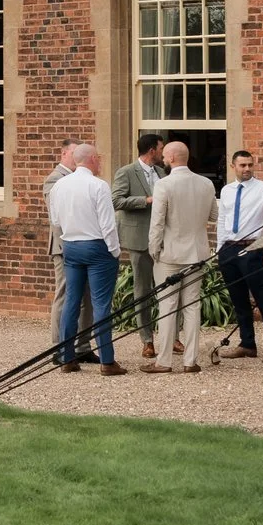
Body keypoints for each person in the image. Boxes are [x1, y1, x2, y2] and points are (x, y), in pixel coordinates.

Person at [48, 145, 127, 375]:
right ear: (92, 159)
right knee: (101, 304)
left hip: (71, 246)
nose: (100, 162)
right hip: (97, 246)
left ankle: (67, 358)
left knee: (71, 301)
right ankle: (107, 361)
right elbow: (107, 224)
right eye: (98, 158)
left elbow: (55, 220)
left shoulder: (59, 185)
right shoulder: (98, 185)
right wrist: (114, 251)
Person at [142, 139, 215, 375]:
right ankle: (190, 361)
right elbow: (214, 215)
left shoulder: (163, 185)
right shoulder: (206, 183)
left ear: (172, 158)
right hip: (197, 253)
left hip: (169, 255)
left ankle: (164, 361)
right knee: (192, 306)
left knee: (167, 306)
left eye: (165, 155)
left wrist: (154, 251)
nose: (163, 158)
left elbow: (157, 223)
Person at [215, 149, 263, 362]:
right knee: (239, 299)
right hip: (229, 249)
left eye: (250, 165)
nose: (247, 169)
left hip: (252, 249)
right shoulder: (227, 190)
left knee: (262, 298)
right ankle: (247, 344)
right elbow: (223, 219)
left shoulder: (262, 188)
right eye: (243, 165)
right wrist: (220, 248)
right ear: (233, 167)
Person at [111, 132, 168, 359]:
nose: (163, 153)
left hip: (164, 239)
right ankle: (147, 340)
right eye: (161, 148)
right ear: (152, 150)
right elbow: (116, 200)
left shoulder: (162, 172)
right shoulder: (126, 172)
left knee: (169, 289)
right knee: (142, 291)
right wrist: (146, 200)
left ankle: (172, 337)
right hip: (139, 239)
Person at [43, 142, 91, 354]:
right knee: (65, 294)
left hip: (85, 245)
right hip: (64, 246)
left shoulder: (84, 178)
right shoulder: (54, 179)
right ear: (64, 154)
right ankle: (60, 347)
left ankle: (83, 346)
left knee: (86, 297)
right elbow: (57, 215)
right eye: (74, 153)